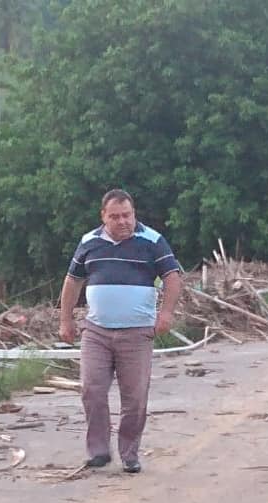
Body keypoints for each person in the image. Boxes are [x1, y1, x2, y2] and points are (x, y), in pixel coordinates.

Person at [58, 189, 183, 473]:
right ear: (103, 217)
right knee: (92, 389)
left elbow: (172, 278)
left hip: (137, 333)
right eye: (115, 217)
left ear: (133, 213)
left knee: (135, 396)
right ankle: (98, 451)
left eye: (126, 215)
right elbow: (72, 281)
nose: (122, 221)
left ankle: (129, 453)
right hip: (96, 331)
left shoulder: (152, 241)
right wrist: (66, 320)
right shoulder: (89, 242)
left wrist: (166, 313)